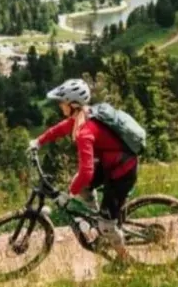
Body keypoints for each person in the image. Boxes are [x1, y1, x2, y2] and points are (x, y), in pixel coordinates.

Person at [30, 78, 137, 258]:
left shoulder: (84, 133)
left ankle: (123, 259)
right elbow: (61, 128)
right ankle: (97, 219)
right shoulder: (82, 115)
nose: (60, 106)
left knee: (106, 225)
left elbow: (87, 172)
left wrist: (70, 195)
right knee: (82, 186)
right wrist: (39, 141)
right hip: (111, 162)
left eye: (62, 103)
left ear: (73, 104)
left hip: (122, 171)